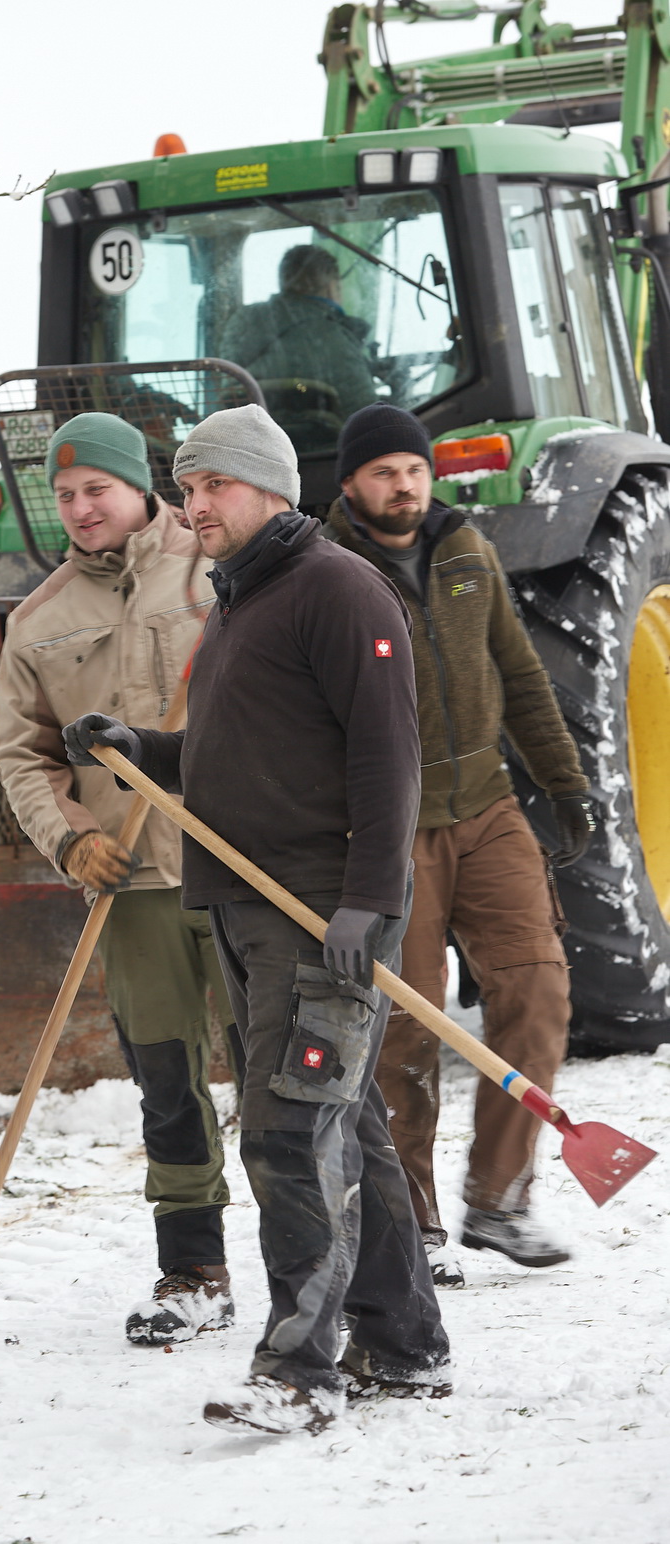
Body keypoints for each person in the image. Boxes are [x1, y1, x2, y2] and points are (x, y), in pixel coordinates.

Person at [64, 403, 450, 1437]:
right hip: (247, 906)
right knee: (343, 1127)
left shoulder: (337, 589)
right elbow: (231, 760)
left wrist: (369, 901)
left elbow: (387, 759)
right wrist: (142, 749)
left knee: (287, 1134)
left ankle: (297, 1373)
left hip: (316, 912)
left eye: (214, 487)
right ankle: (404, 1346)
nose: (194, 507)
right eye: (185, 490)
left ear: (271, 487)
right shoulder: (241, 601)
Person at [326, 403, 595, 1286]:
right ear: (349, 484)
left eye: (413, 470)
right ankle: (411, 1223)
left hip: (486, 806)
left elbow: (519, 674)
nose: (402, 486)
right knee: (405, 1028)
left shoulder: (468, 552)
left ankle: (498, 1198)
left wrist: (564, 783)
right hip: (387, 824)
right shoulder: (328, 573)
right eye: (383, 473)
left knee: (537, 988)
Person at [0, 411, 244, 1347]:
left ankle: (333, 1251)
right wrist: (71, 839)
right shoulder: (38, 620)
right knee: (166, 1082)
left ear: (140, 486)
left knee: (282, 1070)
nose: (79, 508)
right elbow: (22, 756)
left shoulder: (223, 572)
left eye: (95, 488)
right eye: (63, 495)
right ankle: (194, 1271)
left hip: (245, 868)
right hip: (133, 887)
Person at [219, 243, 379, 437]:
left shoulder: (241, 322)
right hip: (322, 446)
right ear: (331, 287)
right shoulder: (332, 336)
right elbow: (367, 414)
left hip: (247, 441)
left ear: (285, 282)